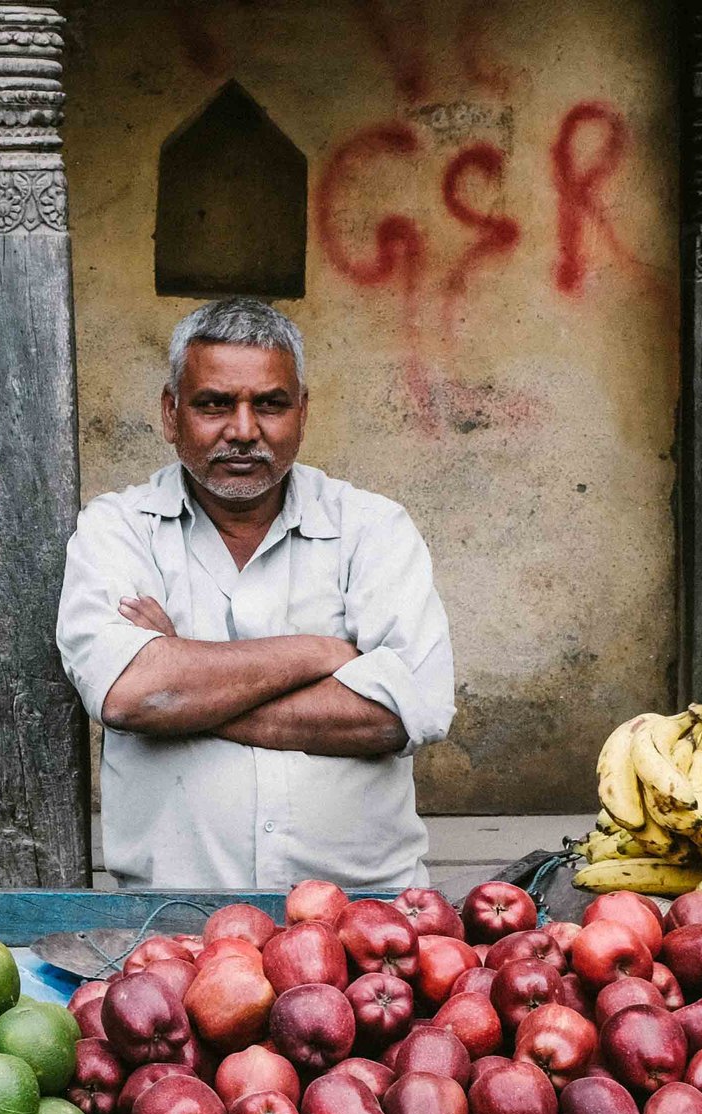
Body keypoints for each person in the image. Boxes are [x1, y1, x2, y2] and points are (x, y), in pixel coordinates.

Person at [55, 297, 456, 893]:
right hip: (173, 917)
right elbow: (129, 694)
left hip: (370, 917)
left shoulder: (372, 527)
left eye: (269, 404)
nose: (243, 431)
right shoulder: (118, 528)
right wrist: (321, 654)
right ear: (171, 413)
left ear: (301, 412)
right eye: (214, 404)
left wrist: (184, 680)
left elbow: (403, 712)